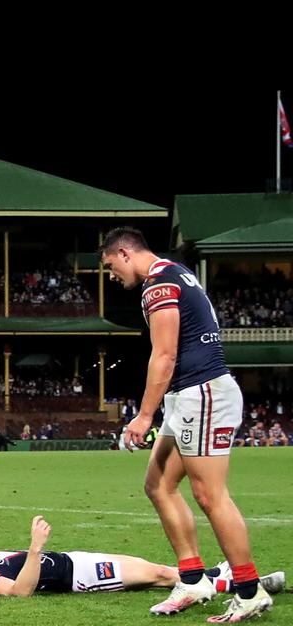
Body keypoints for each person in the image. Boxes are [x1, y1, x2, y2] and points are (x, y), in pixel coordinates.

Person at [101, 226, 273, 620]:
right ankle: (193, 581)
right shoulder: (176, 272)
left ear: (126, 253)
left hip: (203, 392)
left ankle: (250, 590)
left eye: (111, 266)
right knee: (158, 484)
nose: (113, 276)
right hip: (189, 395)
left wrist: (144, 415)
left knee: (210, 495)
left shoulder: (158, 284)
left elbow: (164, 354)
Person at [0, 514, 286, 599]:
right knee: (159, 574)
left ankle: (233, 579)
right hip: (79, 575)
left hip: (74, 560)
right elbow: (19, 592)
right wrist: (35, 547)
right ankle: (244, 587)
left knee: (157, 570)